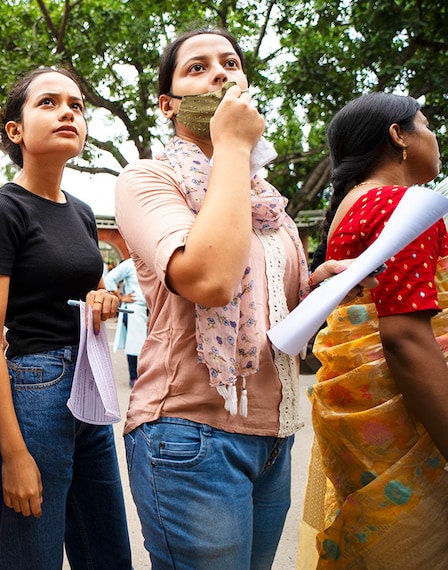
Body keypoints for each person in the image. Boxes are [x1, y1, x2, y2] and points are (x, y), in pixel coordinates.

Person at [113, 28, 368, 569]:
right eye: (198, 68)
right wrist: (231, 145)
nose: (221, 73)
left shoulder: (269, 205)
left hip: (272, 439)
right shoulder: (149, 180)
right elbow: (209, 281)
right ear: (168, 104)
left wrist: (323, 290)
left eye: (230, 63)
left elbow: (286, 325)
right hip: (190, 436)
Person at [0, 67, 133, 569]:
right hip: (34, 392)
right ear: (15, 131)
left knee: (106, 554)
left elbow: (90, 291)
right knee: (33, 559)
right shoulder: (2, 210)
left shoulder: (82, 211)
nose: (68, 111)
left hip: (89, 383)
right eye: (48, 102)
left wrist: (101, 300)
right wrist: (14, 454)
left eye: (77, 105)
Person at [300, 92, 448, 567]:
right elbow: (405, 338)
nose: (435, 136)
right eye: (425, 125)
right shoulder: (399, 205)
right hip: (416, 416)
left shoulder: (353, 203)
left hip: (376, 415)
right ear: (398, 135)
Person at [103, 257, 148, 387]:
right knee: (134, 344)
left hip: (149, 309)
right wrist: (121, 297)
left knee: (148, 345)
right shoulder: (129, 264)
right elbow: (108, 279)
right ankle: (133, 377)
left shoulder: (149, 261)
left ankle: (145, 375)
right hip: (134, 309)